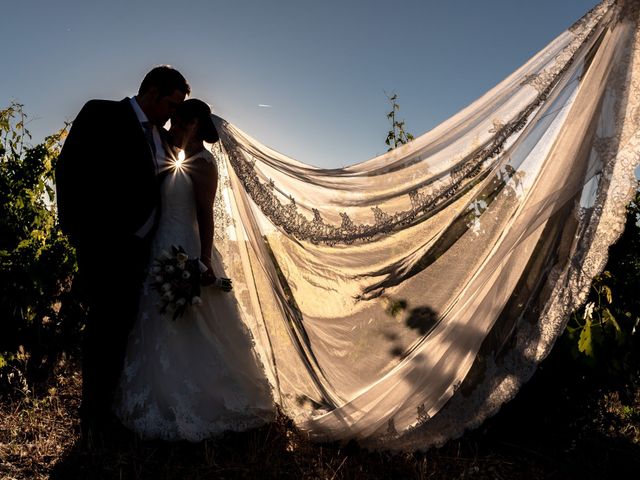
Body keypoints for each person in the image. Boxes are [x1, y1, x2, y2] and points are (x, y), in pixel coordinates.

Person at [114, 99, 274, 441]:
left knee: (194, 321)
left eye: (176, 122)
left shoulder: (203, 163)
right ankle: (158, 391)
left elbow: (205, 214)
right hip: (160, 246)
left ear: (193, 125)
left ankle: (204, 398)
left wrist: (202, 260)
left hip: (186, 249)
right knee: (155, 318)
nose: (169, 127)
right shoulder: (170, 156)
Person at [55, 66, 190, 442]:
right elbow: (68, 170)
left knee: (123, 329)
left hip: (146, 250)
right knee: (102, 330)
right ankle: (92, 417)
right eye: (171, 103)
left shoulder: (163, 139)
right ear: (150, 91)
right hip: (102, 245)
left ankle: (111, 408)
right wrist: (80, 234)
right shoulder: (101, 114)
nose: (172, 113)